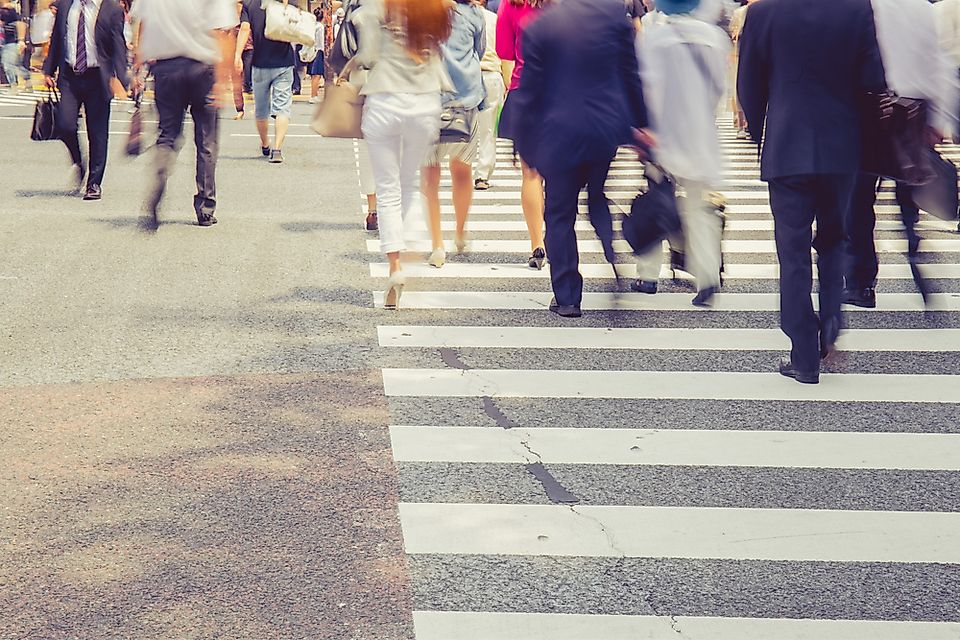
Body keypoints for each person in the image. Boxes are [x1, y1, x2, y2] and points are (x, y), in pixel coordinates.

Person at [737, 0, 886, 384]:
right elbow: (873, 78)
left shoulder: (764, 12)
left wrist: (760, 135)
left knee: (793, 250)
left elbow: (749, 85)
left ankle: (803, 352)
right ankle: (831, 323)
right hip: (841, 143)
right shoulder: (855, 9)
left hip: (787, 143)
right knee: (834, 239)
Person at [510, 0, 650, 318]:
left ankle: (568, 296)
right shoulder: (615, 20)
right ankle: (611, 253)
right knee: (597, 195)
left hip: (558, 133)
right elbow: (631, 78)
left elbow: (530, 90)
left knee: (559, 213)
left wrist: (522, 138)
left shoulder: (541, 26)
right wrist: (642, 126)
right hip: (604, 130)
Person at [844, 0, 957, 308]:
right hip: (915, 107)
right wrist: (939, 118)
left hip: (871, 105)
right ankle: (912, 238)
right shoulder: (922, 7)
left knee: (859, 197)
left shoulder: (859, 6)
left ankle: (861, 281)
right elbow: (938, 62)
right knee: (909, 184)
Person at [354, 0, 452, 310]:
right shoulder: (436, 7)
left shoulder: (377, 8)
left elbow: (368, 56)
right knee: (409, 183)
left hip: (385, 100)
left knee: (387, 189)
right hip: (424, 103)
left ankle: (394, 265)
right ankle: (406, 245)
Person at [634, 0, 730, 307]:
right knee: (700, 207)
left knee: (656, 199)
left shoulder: (657, 38)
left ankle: (648, 275)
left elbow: (647, 86)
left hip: (663, 131)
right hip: (700, 132)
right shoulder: (715, 39)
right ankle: (707, 276)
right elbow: (718, 88)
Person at [133, 0, 238, 230]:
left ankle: (163, 156)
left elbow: (143, 24)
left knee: (168, 132)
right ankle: (205, 208)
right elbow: (223, 33)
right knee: (206, 140)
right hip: (203, 68)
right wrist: (225, 80)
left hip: (166, 69)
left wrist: (139, 63)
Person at [420, 0, 485, 268]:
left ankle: (437, 245)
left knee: (429, 176)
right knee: (463, 170)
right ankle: (459, 232)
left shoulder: (424, 11)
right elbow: (478, 53)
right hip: (466, 99)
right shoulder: (474, 14)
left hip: (428, 99)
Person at [43, 0, 129, 201]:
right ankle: (79, 161)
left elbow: (118, 46)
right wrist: (48, 69)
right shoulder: (66, 5)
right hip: (69, 76)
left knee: (97, 132)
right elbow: (57, 39)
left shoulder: (112, 9)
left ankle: (94, 183)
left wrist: (122, 78)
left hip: (98, 77)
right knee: (65, 125)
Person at [496, 0, 552, 270]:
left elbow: (506, 58)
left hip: (524, 94)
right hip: (563, 95)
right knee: (560, 174)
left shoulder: (511, 4)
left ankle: (536, 244)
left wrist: (514, 89)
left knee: (530, 174)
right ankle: (558, 235)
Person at [236, 0, 295, 164]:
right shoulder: (285, 3)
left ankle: (265, 144)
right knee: (282, 107)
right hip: (284, 61)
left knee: (261, 110)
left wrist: (237, 56)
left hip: (259, 63)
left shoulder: (250, 4)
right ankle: (277, 149)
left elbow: (245, 29)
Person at [473, 0, 505, 192]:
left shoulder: (456, 17)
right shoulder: (495, 19)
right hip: (492, 75)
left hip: (466, 77)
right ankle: (482, 174)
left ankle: (461, 168)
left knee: (464, 128)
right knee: (488, 130)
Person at [1, 0, 26, 92]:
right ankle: (27, 80)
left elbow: (21, 25)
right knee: (16, 66)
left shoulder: (11, 13)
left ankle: (13, 85)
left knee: (9, 66)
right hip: (6, 44)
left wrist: (21, 41)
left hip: (12, 44)